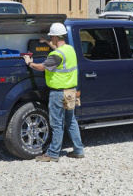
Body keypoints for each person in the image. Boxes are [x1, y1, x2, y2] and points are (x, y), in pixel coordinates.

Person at [23, 22, 84, 162]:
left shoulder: (56, 55)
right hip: (70, 92)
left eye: (52, 37)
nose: (51, 39)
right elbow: (58, 51)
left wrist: (29, 62)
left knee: (56, 124)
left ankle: (53, 154)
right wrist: (47, 43)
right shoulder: (69, 49)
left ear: (56, 37)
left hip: (58, 93)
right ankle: (78, 150)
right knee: (71, 121)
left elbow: (41, 67)